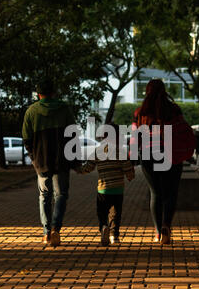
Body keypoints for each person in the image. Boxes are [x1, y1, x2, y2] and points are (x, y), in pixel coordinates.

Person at [130, 79, 196, 245]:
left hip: (148, 155)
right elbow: (182, 130)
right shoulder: (173, 109)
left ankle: (158, 233)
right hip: (170, 153)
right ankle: (167, 226)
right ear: (164, 90)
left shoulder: (140, 112)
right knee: (170, 193)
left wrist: (131, 157)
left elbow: (134, 136)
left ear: (147, 91)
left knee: (155, 193)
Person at [22, 79, 77, 247]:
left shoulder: (31, 111)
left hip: (41, 160)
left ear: (38, 94)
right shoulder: (64, 109)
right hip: (62, 159)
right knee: (61, 195)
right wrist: (75, 159)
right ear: (54, 92)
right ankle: (56, 229)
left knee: (44, 196)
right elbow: (73, 135)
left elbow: (26, 138)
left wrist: (34, 157)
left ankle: (46, 233)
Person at [76, 123, 135, 246]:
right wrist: (130, 176)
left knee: (102, 212)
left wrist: (77, 169)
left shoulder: (98, 151)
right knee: (115, 214)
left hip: (103, 190)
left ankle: (103, 227)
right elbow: (128, 169)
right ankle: (114, 236)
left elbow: (88, 167)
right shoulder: (121, 151)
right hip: (118, 189)